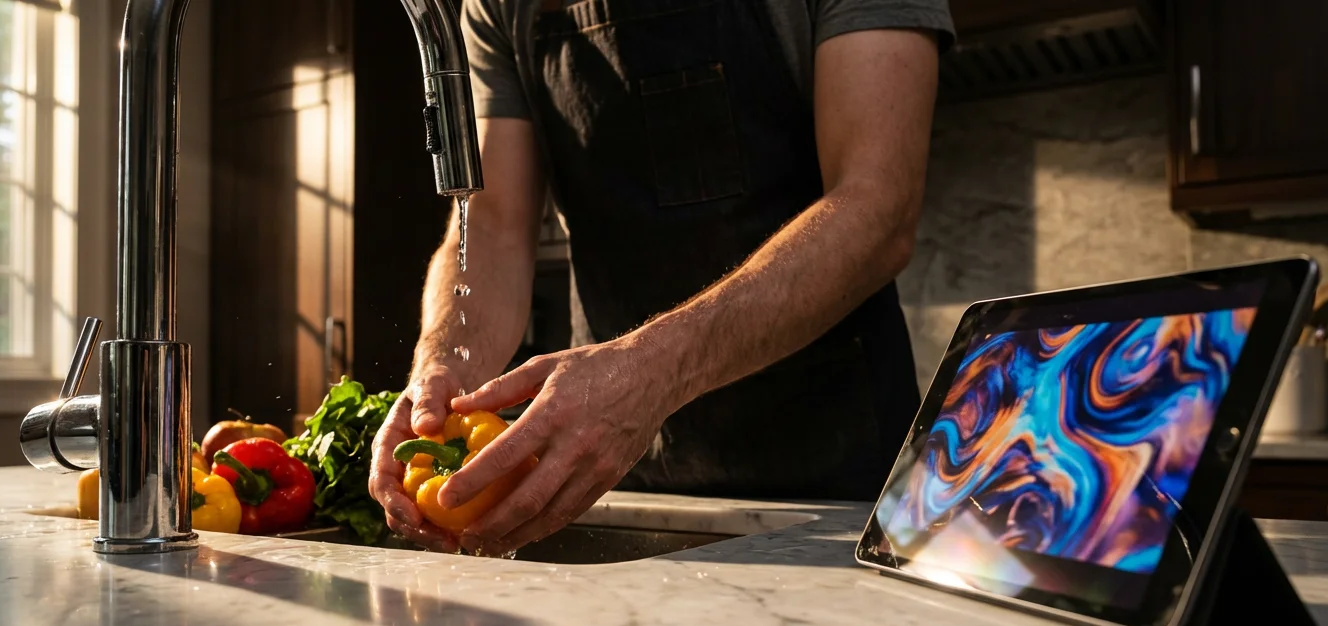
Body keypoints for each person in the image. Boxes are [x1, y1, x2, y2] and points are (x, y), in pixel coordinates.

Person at [369, 0, 955, 554]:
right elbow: (489, 225)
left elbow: (878, 208)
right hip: (616, 478)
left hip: (842, 480)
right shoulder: (499, 8)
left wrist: (647, 375)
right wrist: (442, 370)